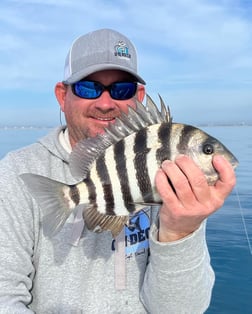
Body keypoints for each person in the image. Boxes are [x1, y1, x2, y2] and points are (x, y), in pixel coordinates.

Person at [0, 28, 236, 314]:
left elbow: (182, 309)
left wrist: (180, 231)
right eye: (88, 87)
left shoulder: (180, 181)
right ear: (62, 96)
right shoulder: (15, 174)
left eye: (121, 89)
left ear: (138, 96)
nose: (105, 103)